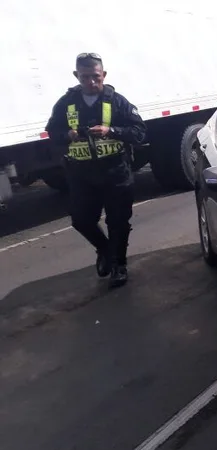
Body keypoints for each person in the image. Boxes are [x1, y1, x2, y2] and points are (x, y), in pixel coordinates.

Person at [45, 52, 147, 288]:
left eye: (96, 77)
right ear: (76, 76)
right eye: (85, 77)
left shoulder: (117, 101)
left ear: (104, 75)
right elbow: (52, 132)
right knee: (81, 220)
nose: (91, 82)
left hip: (115, 171)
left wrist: (111, 131)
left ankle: (118, 265)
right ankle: (105, 249)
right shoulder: (66, 103)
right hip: (81, 174)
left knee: (119, 221)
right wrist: (67, 135)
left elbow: (141, 133)